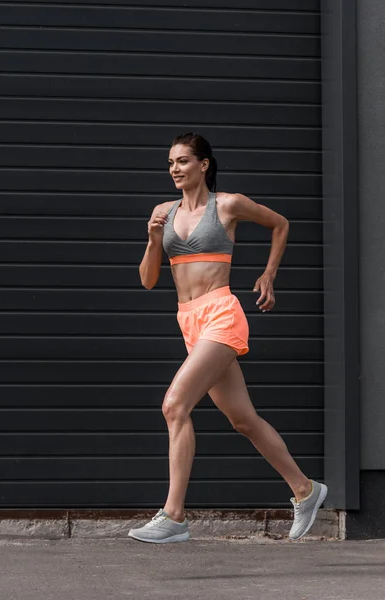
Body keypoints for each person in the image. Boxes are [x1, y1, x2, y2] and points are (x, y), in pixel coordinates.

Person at [128, 132, 327, 544]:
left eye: (182, 161)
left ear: (203, 164)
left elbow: (280, 224)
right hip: (189, 322)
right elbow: (148, 281)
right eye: (170, 163)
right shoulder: (162, 213)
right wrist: (152, 240)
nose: (175, 169)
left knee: (174, 405)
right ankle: (306, 490)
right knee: (243, 420)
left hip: (221, 314)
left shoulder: (227, 205)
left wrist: (269, 273)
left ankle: (174, 515)